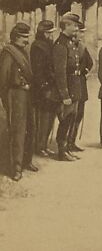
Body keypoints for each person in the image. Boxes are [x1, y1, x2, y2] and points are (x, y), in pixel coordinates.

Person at [0, 23, 37, 180]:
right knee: (18, 130)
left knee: (31, 126)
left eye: (28, 37)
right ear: (15, 37)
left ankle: (26, 160)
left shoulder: (23, 50)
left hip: (27, 94)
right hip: (15, 95)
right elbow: (3, 78)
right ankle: (15, 167)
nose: (27, 40)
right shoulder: (8, 53)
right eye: (24, 37)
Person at [49, 12, 88, 161]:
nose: (76, 28)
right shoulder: (61, 44)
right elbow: (60, 72)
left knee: (71, 118)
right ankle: (61, 151)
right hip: (67, 90)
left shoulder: (70, 42)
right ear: (66, 26)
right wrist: (64, 95)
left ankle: (66, 149)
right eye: (74, 25)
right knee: (65, 120)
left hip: (74, 88)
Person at [29, 19, 56, 156]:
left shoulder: (48, 45)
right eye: (49, 33)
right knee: (42, 119)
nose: (51, 35)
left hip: (51, 87)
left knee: (50, 117)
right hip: (42, 89)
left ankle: (44, 145)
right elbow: (38, 70)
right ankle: (39, 147)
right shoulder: (38, 46)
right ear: (44, 33)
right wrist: (45, 86)